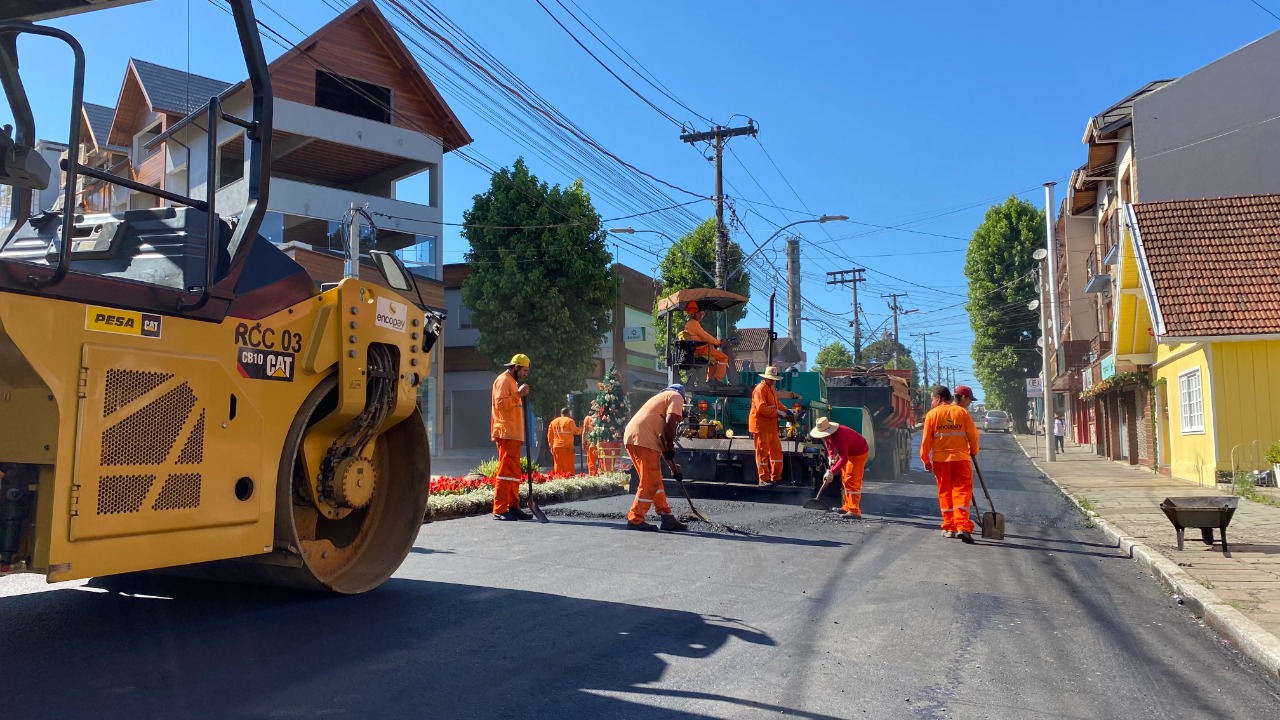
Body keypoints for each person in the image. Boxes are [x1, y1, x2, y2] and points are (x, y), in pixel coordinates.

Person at [622, 384, 689, 531]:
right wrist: (670, 447)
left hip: (634, 437)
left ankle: (667, 517)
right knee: (649, 482)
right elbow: (670, 423)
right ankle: (635, 519)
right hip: (643, 440)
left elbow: (664, 441)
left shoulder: (659, 402)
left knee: (655, 480)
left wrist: (673, 468)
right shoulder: (676, 396)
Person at [920, 385, 980, 543]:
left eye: (932, 399)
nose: (931, 403)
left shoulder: (932, 414)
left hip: (940, 461)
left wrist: (925, 459)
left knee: (945, 492)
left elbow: (926, 440)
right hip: (961, 459)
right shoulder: (962, 412)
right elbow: (973, 435)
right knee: (962, 491)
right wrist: (973, 450)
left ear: (939, 398)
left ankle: (949, 528)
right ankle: (962, 526)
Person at [490, 353, 533, 521]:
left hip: (513, 435)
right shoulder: (503, 381)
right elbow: (501, 405)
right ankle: (500, 509)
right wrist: (518, 395)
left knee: (514, 473)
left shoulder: (512, 382)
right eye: (524, 370)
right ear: (516, 367)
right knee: (505, 472)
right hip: (506, 433)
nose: (525, 374)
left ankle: (513, 507)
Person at [810, 416, 870, 518]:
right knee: (845, 480)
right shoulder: (828, 435)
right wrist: (831, 456)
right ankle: (847, 507)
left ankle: (854, 511)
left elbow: (843, 458)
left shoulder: (839, 436)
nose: (824, 437)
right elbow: (829, 445)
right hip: (849, 452)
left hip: (859, 452)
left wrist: (831, 472)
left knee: (852, 480)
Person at [750, 366, 795, 487]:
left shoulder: (770, 388)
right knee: (762, 452)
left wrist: (786, 410)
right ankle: (763, 478)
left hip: (771, 426)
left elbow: (776, 404)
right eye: (771, 379)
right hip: (761, 426)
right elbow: (761, 408)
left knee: (776, 451)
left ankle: (776, 477)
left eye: (774, 379)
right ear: (766, 378)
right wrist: (779, 413)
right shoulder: (759, 390)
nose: (773, 381)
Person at [681, 301, 728, 383]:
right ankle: (718, 380)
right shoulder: (694, 323)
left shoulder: (689, 324)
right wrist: (717, 342)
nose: (701, 316)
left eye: (703, 314)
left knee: (715, 360)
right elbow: (705, 335)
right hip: (702, 350)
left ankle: (710, 380)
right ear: (694, 314)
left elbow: (701, 337)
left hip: (698, 349)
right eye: (700, 314)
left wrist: (714, 343)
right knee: (724, 358)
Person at [547, 407, 581, 475]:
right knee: (569, 467)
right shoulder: (570, 421)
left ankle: (559, 479)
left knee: (558, 467)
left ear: (561, 413)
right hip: (567, 447)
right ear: (568, 413)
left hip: (556, 447)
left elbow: (549, 436)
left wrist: (551, 447)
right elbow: (576, 431)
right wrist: (581, 429)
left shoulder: (553, 422)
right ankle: (569, 479)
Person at [582, 407, 598, 474]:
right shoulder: (601, 417)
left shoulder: (588, 418)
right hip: (601, 442)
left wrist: (583, 443)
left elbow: (584, 432)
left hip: (591, 442)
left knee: (591, 460)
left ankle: (592, 474)